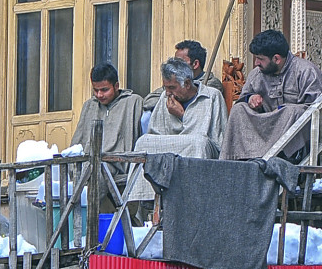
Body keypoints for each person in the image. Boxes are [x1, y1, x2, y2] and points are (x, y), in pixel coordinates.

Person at [127, 57, 228, 203]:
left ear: (187, 83)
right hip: (170, 152)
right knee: (143, 142)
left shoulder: (212, 96)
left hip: (201, 149)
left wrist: (182, 115)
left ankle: (195, 198)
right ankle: (142, 200)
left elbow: (217, 137)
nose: (168, 93)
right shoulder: (164, 97)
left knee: (197, 143)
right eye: (165, 88)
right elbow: (156, 132)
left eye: (172, 88)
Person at [220, 29, 322, 161]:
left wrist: (285, 110)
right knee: (239, 110)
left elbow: (315, 109)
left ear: (277, 59)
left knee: (293, 111)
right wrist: (250, 99)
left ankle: (282, 157)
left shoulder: (306, 71)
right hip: (264, 126)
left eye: (260, 59)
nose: (256, 63)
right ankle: (240, 159)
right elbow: (243, 99)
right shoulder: (257, 74)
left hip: (295, 134)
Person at [70, 62, 142, 187]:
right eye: (95, 90)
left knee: (95, 175)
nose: (99, 95)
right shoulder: (89, 106)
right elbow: (79, 139)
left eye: (104, 90)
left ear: (116, 86)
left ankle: (85, 206)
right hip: (88, 161)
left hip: (114, 163)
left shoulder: (132, 102)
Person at [141, 40, 224, 131]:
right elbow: (149, 101)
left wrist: (182, 115)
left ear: (195, 64)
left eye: (180, 62)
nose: (174, 66)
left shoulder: (211, 86)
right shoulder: (169, 87)